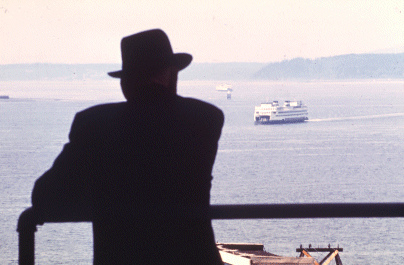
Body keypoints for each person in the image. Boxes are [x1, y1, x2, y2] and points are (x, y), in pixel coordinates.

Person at [31, 29, 224, 265]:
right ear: (171, 74)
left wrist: (100, 198)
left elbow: (44, 197)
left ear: (125, 83)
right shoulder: (206, 119)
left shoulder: (93, 125)